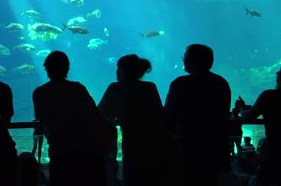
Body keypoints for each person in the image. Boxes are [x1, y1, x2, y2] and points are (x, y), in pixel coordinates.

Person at [32, 51, 114, 186]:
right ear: (67, 68)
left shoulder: (39, 92)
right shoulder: (78, 89)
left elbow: (40, 118)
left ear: (47, 69)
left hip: (58, 150)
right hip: (84, 150)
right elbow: (94, 116)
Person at [98, 54, 173, 186]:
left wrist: (117, 122)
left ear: (121, 70)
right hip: (153, 140)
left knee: (132, 175)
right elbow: (160, 115)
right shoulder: (149, 87)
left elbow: (101, 114)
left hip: (131, 140)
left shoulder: (115, 88)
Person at [164, 44, 231, 186]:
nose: (183, 60)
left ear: (193, 60)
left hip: (187, 146)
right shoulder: (221, 82)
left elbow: (168, 115)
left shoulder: (180, 83)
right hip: (216, 146)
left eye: (185, 57)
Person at [237, 68, 281, 185]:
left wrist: (242, 108)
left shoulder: (269, 95)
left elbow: (248, 117)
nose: (277, 74)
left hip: (274, 149)